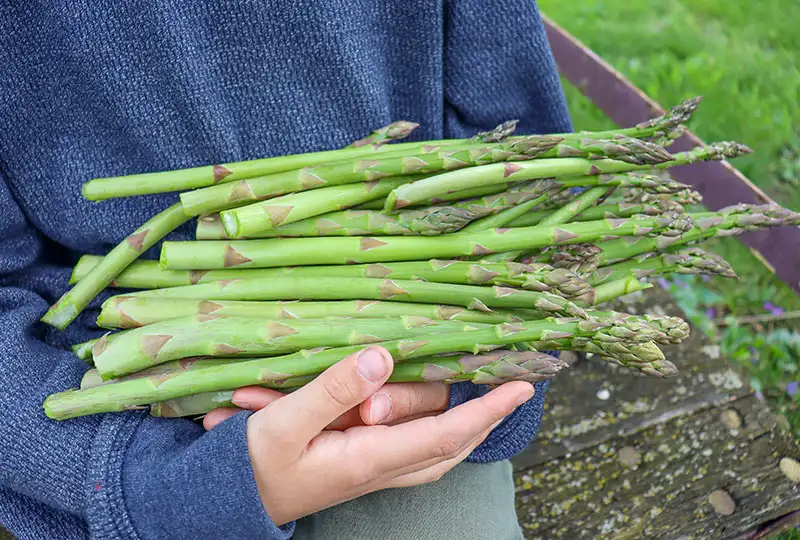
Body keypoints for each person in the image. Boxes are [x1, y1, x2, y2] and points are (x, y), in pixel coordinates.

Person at [0, 1, 572, 538]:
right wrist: (159, 483)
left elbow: (527, 175)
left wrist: (471, 382)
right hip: (100, 408)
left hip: (414, 372)